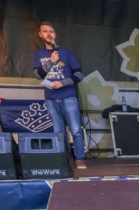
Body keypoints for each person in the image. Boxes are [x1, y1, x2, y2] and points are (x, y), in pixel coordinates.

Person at [33, 22, 87, 170]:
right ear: (40, 35)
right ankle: (65, 159)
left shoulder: (67, 53)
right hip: (50, 97)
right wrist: (51, 61)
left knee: (75, 129)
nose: (49, 34)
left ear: (55, 34)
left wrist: (63, 83)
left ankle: (79, 159)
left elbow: (79, 74)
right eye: (45, 32)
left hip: (68, 95)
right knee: (58, 131)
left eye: (51, 31)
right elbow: (38, 74)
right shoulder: (39, 54)